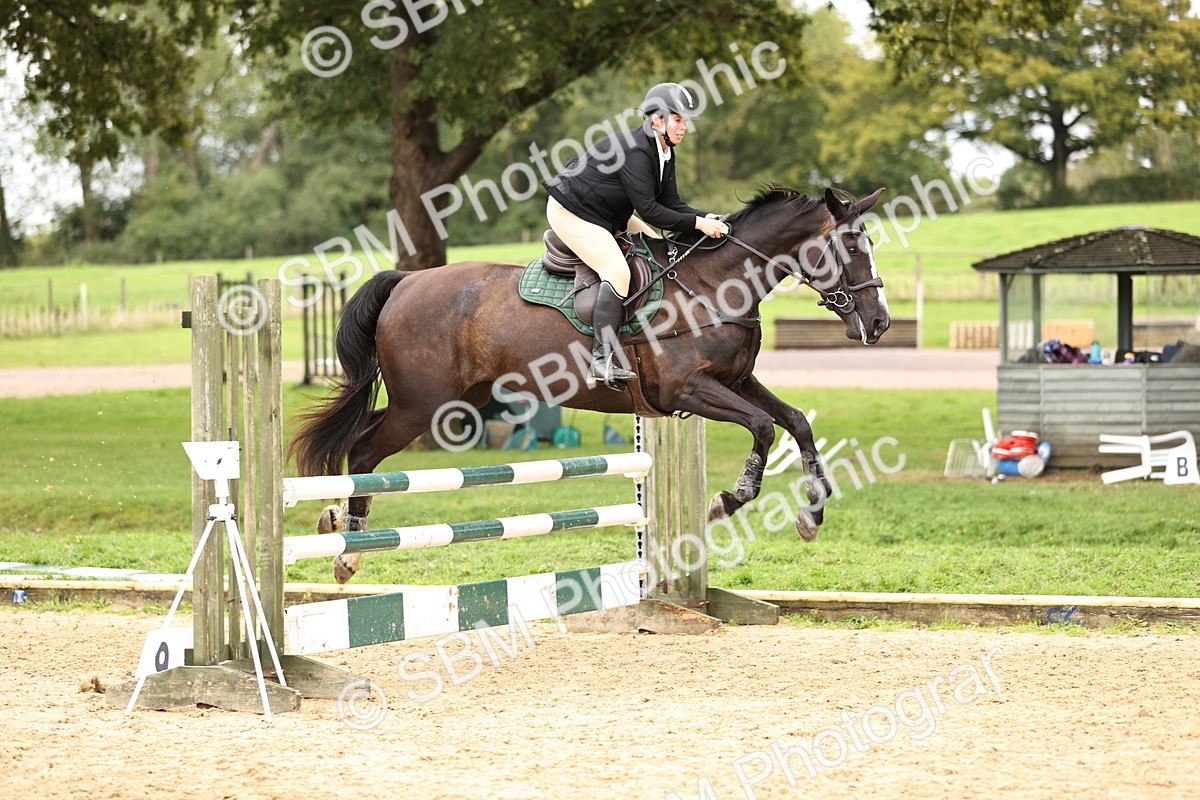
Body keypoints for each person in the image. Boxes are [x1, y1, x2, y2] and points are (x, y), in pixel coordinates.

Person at [543, 82, 729, 390]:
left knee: (655, 247)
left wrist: (704, 217)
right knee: (616, 271)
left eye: (685, 120)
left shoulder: (665, 151)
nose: (684, 127)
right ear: (657, 120)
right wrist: (698, 225)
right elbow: (651, 211)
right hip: (572, 211)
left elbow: (672, 204)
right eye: (678, 119)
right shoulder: (638, 151)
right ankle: (601, 361)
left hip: (607, 212)